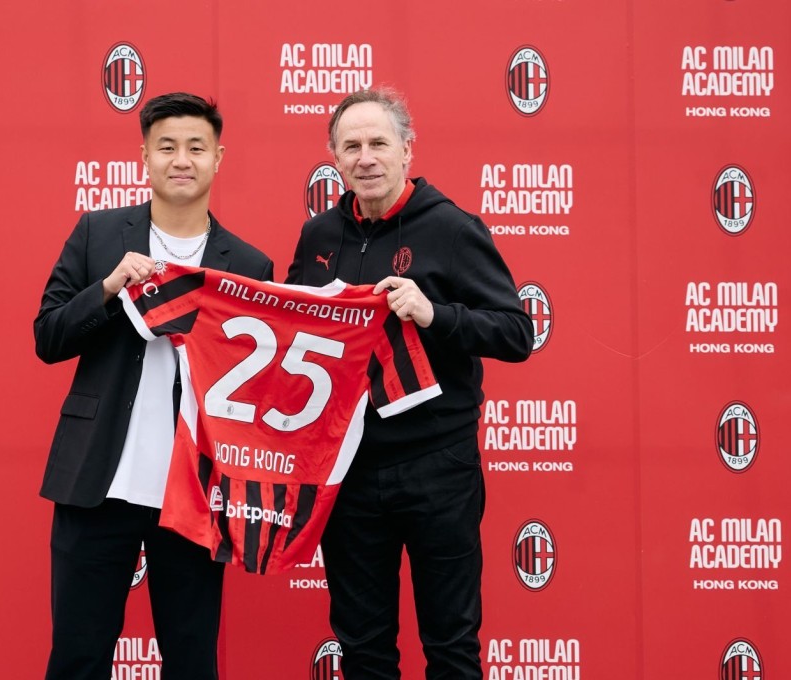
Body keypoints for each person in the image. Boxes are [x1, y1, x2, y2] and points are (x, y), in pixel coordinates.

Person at [285, 87, 533, 679]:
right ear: (334, 158)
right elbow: (293, 335)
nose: (365, 157)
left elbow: (516, 333)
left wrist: (435, 315)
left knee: (450, 644)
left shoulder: (451, 227)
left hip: (437, 468)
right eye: (352, 146)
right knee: (363, 647)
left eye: (378, 143)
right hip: (346, 471)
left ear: (406, 151)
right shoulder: (318, 237)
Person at [34, 92, 273, 680]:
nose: (181, 160)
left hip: (193, 494)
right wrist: (110, 288)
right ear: (144, 157)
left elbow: (259, 390)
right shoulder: (98, 235)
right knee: (77, 657)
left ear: (220, 158)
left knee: (192, 661)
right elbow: (48, 336)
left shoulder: (248, 265)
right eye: (166, 147)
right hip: (97, 484)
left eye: (196, 147)